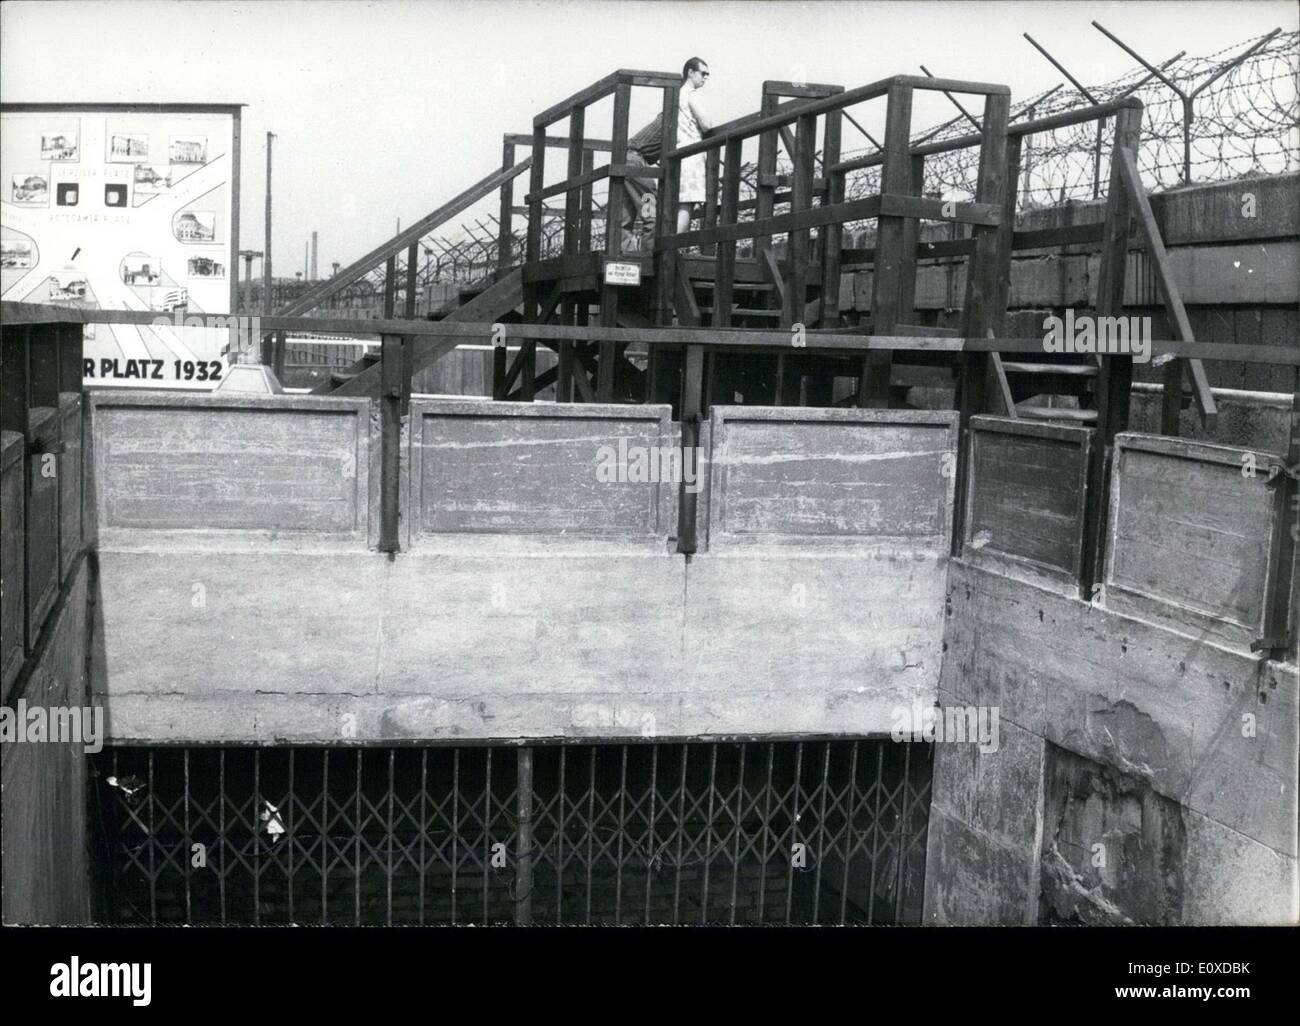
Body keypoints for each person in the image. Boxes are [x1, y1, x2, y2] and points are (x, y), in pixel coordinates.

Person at [620, 57, 714, 249]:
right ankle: (651, 254)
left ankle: (626, 250)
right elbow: (707, 125)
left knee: (626, 213)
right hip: (636, 161)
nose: (706, 78)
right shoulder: (689, 96)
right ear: (690, 72)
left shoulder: (673, 101)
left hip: (629, 157)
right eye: (703, 73)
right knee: (652, 210)